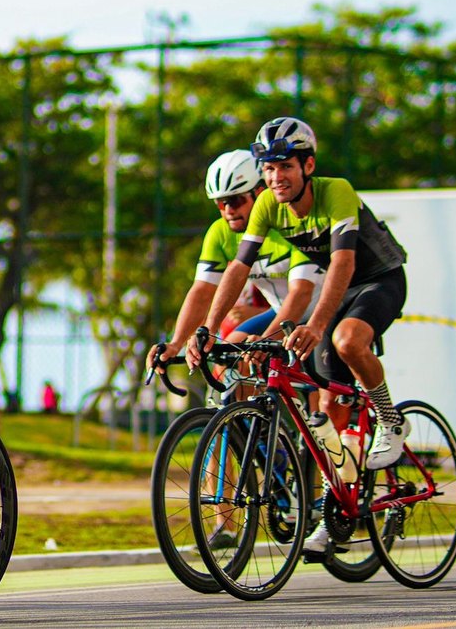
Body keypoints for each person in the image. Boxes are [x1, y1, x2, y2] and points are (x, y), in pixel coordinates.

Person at [185, 117, 409, 555]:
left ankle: (391, 419)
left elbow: (343, 263)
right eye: (267, 169)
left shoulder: (336, 190)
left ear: (307, 165)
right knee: (327, 403)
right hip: (337, 292)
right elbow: (238, 268)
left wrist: (317, 325)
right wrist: (207, 330)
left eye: (284, 166)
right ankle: (334, 507)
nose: (275, 178)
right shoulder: (269, 204)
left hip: (378, 280)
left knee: (346, 342)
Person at [148, 149, 323, 374]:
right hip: (279, 313)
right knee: (229, 362)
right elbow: (202, 291)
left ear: (260, 193)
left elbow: (301, 294)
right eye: (221, 203)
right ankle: (245, 411)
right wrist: (176, 343)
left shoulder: (290, 222)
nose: (229, 211)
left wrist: (266, 337)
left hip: (319, 312)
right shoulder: (220, 233)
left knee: (324, 400)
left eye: (236, 200)